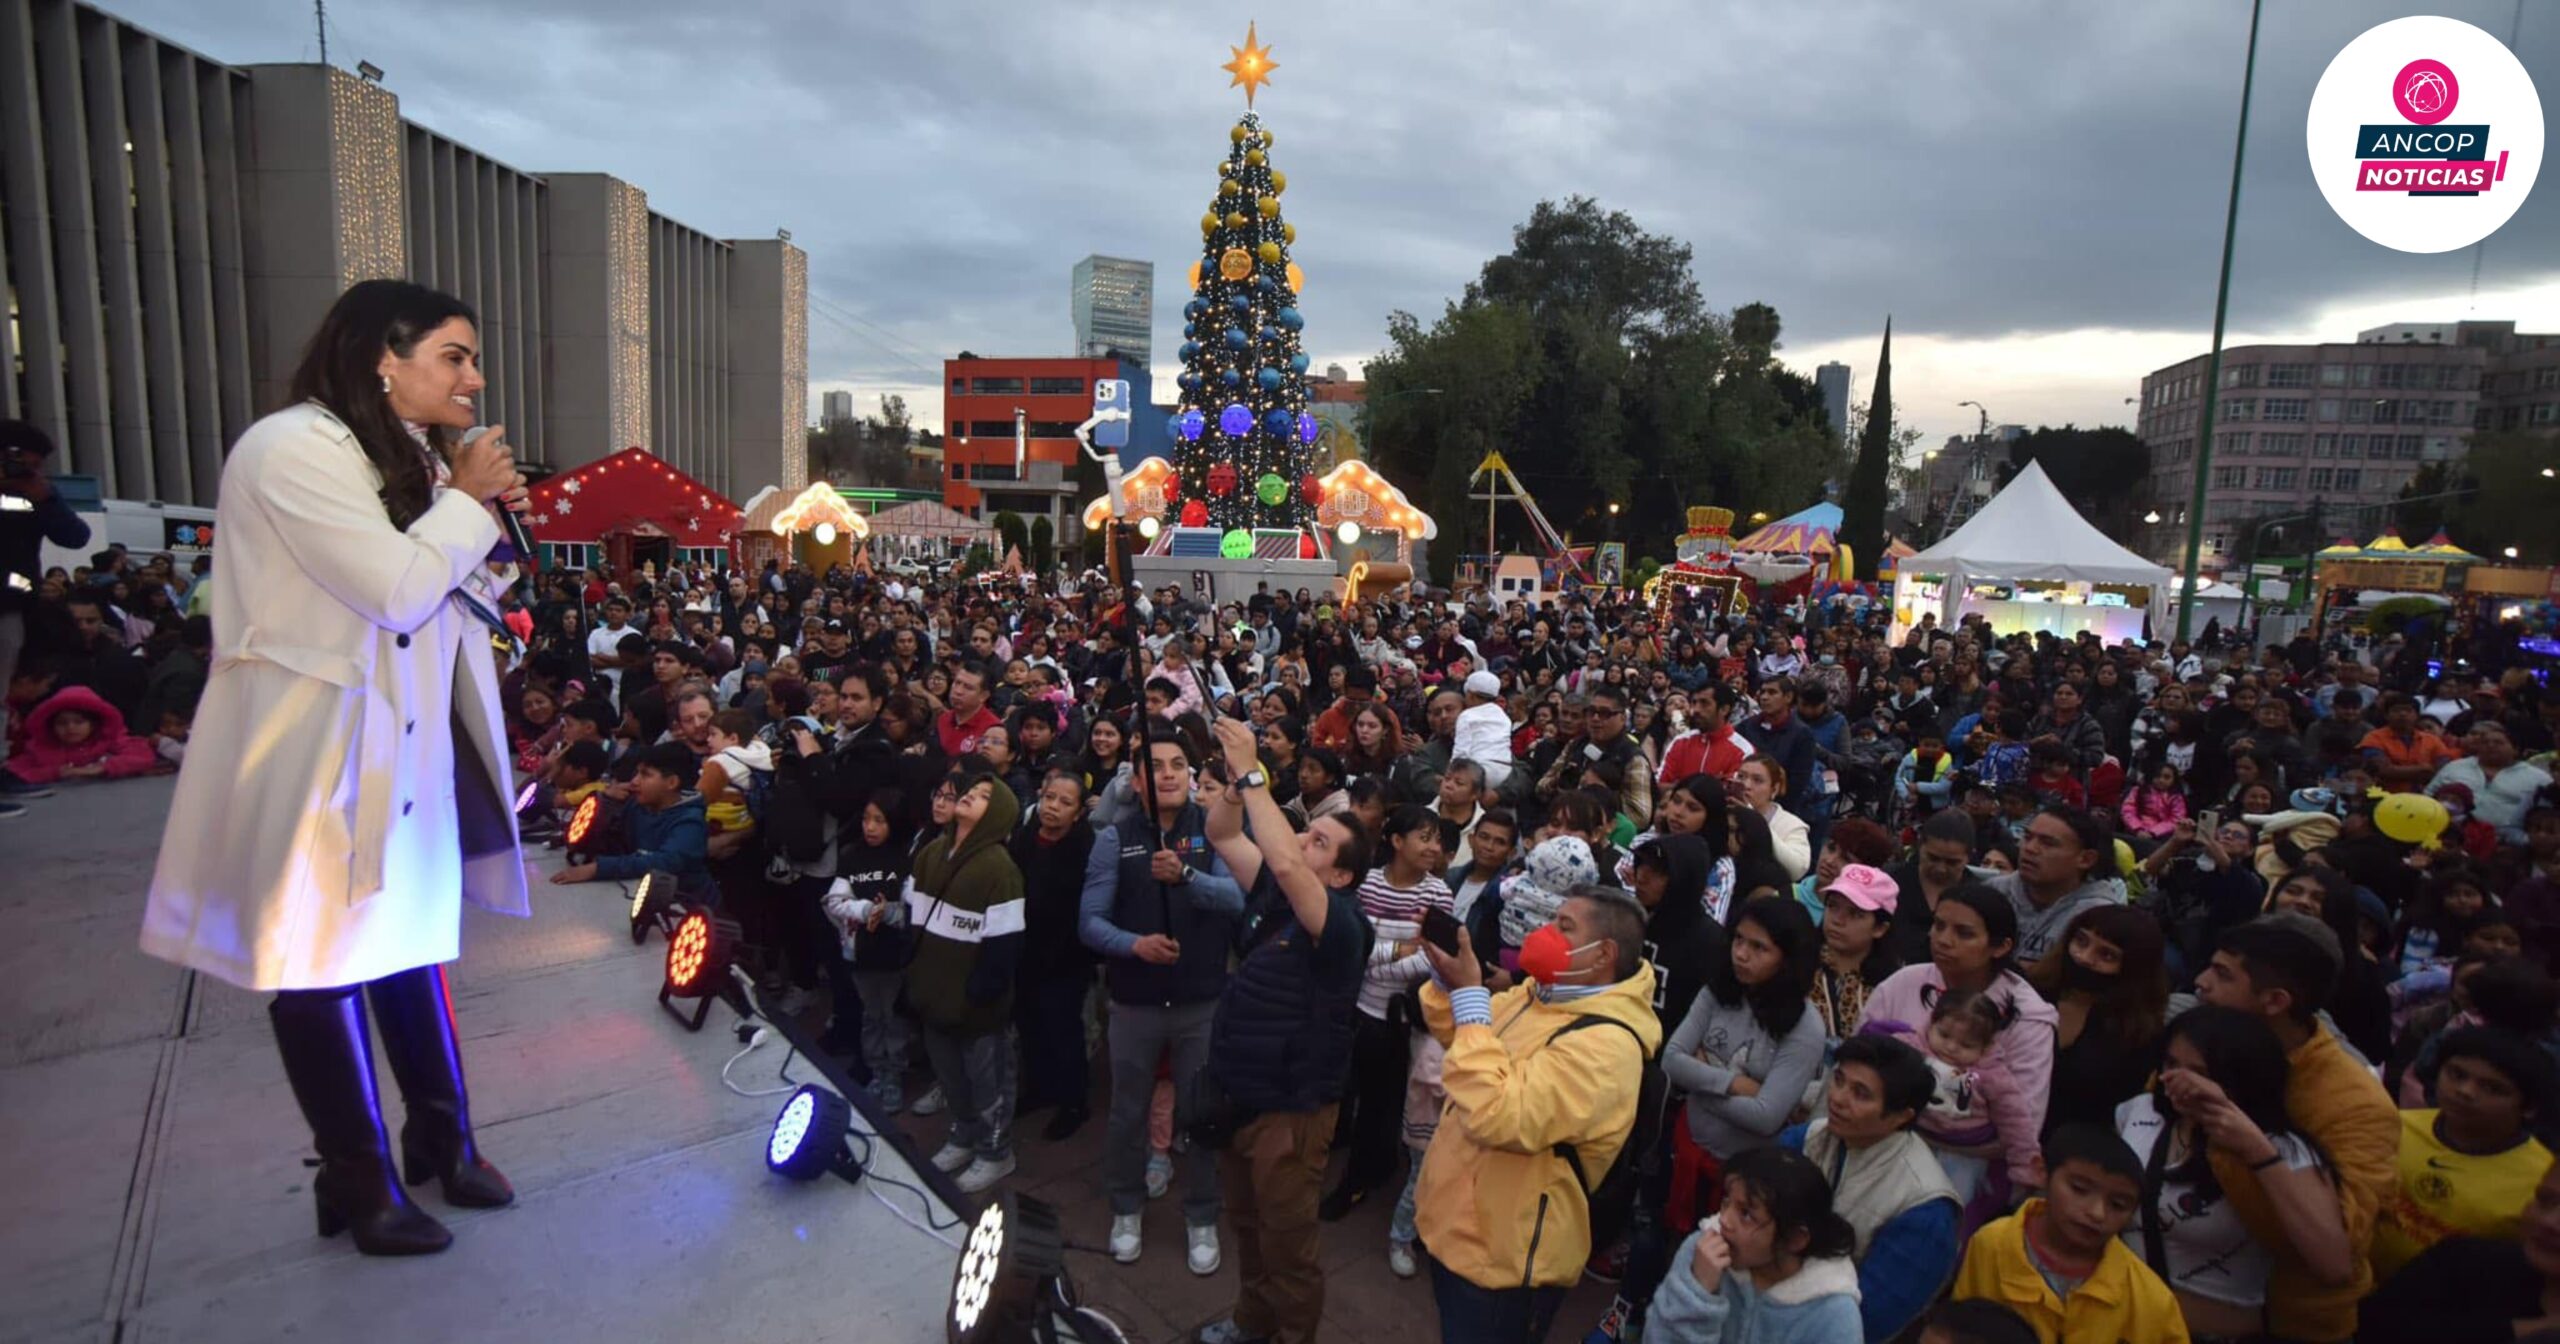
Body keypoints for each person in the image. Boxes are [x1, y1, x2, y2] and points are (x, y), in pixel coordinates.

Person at [138, 280, 532, 1255]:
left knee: (410, 946)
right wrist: (468, 502)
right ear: (380, 358)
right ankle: (354, 1181)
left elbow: (450, 593)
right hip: (318, 752)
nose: (474, 378)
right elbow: (395, 590)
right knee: (318, 963)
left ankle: (441, 1137)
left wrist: (482, 523)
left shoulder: (401, 457)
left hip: (405, 745)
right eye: (454, 355)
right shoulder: (292, 449)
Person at [1411, 879, 1659, 1342]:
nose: (1545, 932)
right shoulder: (1539, 996)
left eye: (1563, 926)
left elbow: (1499, 1114)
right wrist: (1450, 983)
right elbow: (1465, 1039)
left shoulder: (1607, 1046)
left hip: (1505, 1259)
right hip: (1461, 1224)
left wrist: (1469, 996)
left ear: (1603, 954)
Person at [1193, 717, 1375, 1344]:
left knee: (1288, 1244)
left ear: (1343, 876)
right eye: (1307, 831)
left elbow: (1288, 866)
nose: (1302, 843)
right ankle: (1250, 1323)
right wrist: (1229, 784)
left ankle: (1293, 1335)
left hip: (1292, 1110)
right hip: (1240, 1086)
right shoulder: (1276, 890)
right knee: (1245, 1225)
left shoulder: (1345, 926)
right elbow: (1222, 833)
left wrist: (1252, 773)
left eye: (1320, 841)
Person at [1078, 725, 1245, 1274]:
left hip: (1202, 1001)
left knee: (1200, 1114)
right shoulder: (1114, 837)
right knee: (1127, 1113)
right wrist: (1136, 946)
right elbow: (1090, 923)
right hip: (1134, 1003)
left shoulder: (1217, 829)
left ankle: (1201, 1214)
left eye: (1178, 764)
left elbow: (1238, 898)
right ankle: (1125, 1208)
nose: (1169, 773)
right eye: (1157, 766)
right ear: (1138, 781)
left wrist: (1187, 876)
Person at [2188, 914, 2401, 1342]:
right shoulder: (2199, 1045)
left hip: (2286, 1322)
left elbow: (2337, 1255)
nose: (2200, 982)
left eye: (2222, 974)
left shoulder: (2355, 1104)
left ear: (2275, 1001)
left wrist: (2252, 1150)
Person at [2113, 1005, 2351, 1337]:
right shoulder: (2140, 1113)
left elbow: (2334, 1266)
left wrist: (2256, 1152)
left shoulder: (2283, 1149)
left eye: (2200, 1073)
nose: (2177, 1081)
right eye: (2171, 1064)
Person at [1863, 884, 2059, 1211]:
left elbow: (2020, 1121)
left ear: (2000, 947)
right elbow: (1861, 1057)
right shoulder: (1904, 982)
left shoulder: (2028, 1018)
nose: (1943, 939)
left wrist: (1923, 1130)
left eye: (1963, 933)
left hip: (1969, 1165)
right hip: (1880, 1141)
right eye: (1938, 926)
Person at [1777, 1034, 1961, 1342]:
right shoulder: (1807, 1138)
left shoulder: (1925, 1211)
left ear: (1902, 1116)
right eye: (1839, 1080)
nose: (1837, 1098)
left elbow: (1866, 1323)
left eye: (1860, 1094)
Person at [1324, 805, 1454, 1220]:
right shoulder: (1368, 884)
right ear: (1396, 841)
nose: (1433, 847)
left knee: (1381, 1101)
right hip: (1355, 1005)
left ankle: (1361, 1177)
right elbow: (1350, 946)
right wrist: (1399, 949)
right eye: (1424, 837)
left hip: (1398, 1018)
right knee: (1347, 1090)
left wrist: (1376, 956)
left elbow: (1433, 960)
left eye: (1437, 839)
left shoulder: (1438, 894)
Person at [1953, 1124, 2192, 1344]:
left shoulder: (2150, 1300)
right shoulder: (1991, 1245)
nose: (2097, 1213)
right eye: (2079, 1189)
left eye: (2118, 1205)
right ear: (2041, 1172)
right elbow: (1957, 1330)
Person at [906, 763, 1025, 1195]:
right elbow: (914, 923)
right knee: (951, 1077)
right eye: (971, 790)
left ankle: (996, 1151)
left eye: (986, 796)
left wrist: (981, 995)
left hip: (976, 1006)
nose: (972, 795)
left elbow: (1004, 945)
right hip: (933, 994)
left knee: (988, 1082)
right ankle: (962, 1134)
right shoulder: (929, 855)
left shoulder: (1000, 869)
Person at [2371, 1025, 2558, 1282]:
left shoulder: (2543, 1181)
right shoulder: (2395, 1125)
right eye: (2456, 1074)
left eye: (2492, 1088)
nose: (2465, 1091)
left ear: (2528, 1107)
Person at [1643, 1145, 1866, 1343]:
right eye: (1727, 1202)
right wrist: (1698, 1294)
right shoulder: (1700, 1252)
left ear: (1795, 1239)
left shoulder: (1832, 1315)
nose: (1724, 1220)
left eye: (1746, 1214)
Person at [2358, 1159, 2560, 1343]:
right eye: (2545, 1199)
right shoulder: (2463, 1262)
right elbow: (2373, 1325)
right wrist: (2521, 1330)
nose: (2550, 1222)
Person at [0, 419, 93, 817]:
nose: (27, 470)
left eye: (35, 465)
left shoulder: (33, 494)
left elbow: (75, 536)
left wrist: (45, 497)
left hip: (12, 608)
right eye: (22, 461)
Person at [2023, 904, 2168, 1135]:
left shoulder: (2139, 1034)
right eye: (2081, 941)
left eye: (2107, 955)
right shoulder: (2028, 993)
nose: (2084, 957)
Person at [1010, 769, 1099, 1141]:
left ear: (1078, 812)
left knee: (1064, 1029)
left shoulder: (1083, 849)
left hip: (1065, 958)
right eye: (1049, 798)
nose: (1054, 808)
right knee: (1030, 1025)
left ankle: (1073, 1102)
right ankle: (1039, 1089)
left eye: (1065, 802)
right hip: (1024, 952)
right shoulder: (1025, 838)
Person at [820, 789, 912, 1107]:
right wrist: (863, 911)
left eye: (879, 820)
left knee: (894, 1018)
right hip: (862, 955)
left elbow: (913, 910)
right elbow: (834, 901)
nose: (870, 827)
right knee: (871, 1017)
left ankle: (895, 1076)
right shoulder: (851, 855)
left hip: (894, 955)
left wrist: (888, 913)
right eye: (866, 819)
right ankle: (877, 1072)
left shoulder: (904, 857)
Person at [1984, 805, 2120, 966]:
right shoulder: (1993, 890)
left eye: (2047, 843)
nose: (2030, 848)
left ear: (2085, 859)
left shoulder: (2099, 916)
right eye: (2027, 837)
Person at [1884, 811, 1976, 968]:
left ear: (1969, 857)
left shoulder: (1977, 895)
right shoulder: (1888, 882)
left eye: (1952, 863)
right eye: (1933, 858)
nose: (1941, 869)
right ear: (1920, 847)